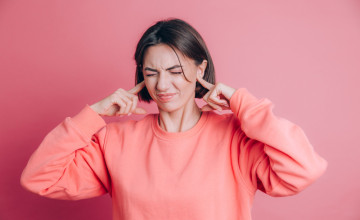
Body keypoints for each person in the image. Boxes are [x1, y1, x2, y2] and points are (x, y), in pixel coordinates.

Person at [20, 18, 327, 220]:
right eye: (151, 73)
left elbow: (303, 168)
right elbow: (38, 178)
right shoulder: (116, 141)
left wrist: (242, 103)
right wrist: (92, 115)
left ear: (199, 70)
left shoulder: (235, 138)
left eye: (176, 72)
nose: (162, 85)